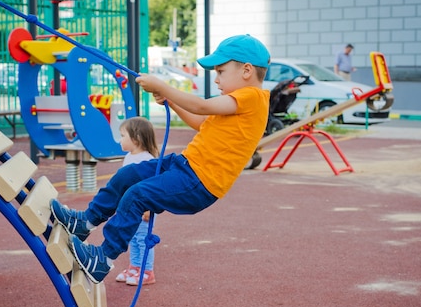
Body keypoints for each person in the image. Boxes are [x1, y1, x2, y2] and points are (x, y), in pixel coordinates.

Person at [50, 34, 270, 284]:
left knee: (137, 195)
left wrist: (163, 87)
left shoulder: (252, 97)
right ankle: (85, 222)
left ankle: (103, 260)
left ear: (247, 70)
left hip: (200, 182)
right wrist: (172, 102)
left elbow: (199, 106)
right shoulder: (237, 103)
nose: (217, 79)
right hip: (185, 165)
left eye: (221, 72)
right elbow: (200, 122)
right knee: (128, 175)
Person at [114, 116, 159, 286]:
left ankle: (147, 271)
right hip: (131, 208)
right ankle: (135, 267)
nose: (120, 139)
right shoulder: (129, 157)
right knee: (132, 238)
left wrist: (149, 208)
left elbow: (152, 186)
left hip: (143, 209)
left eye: (123, 135)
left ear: (136, 138)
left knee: (142, 239)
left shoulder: (147, 160)